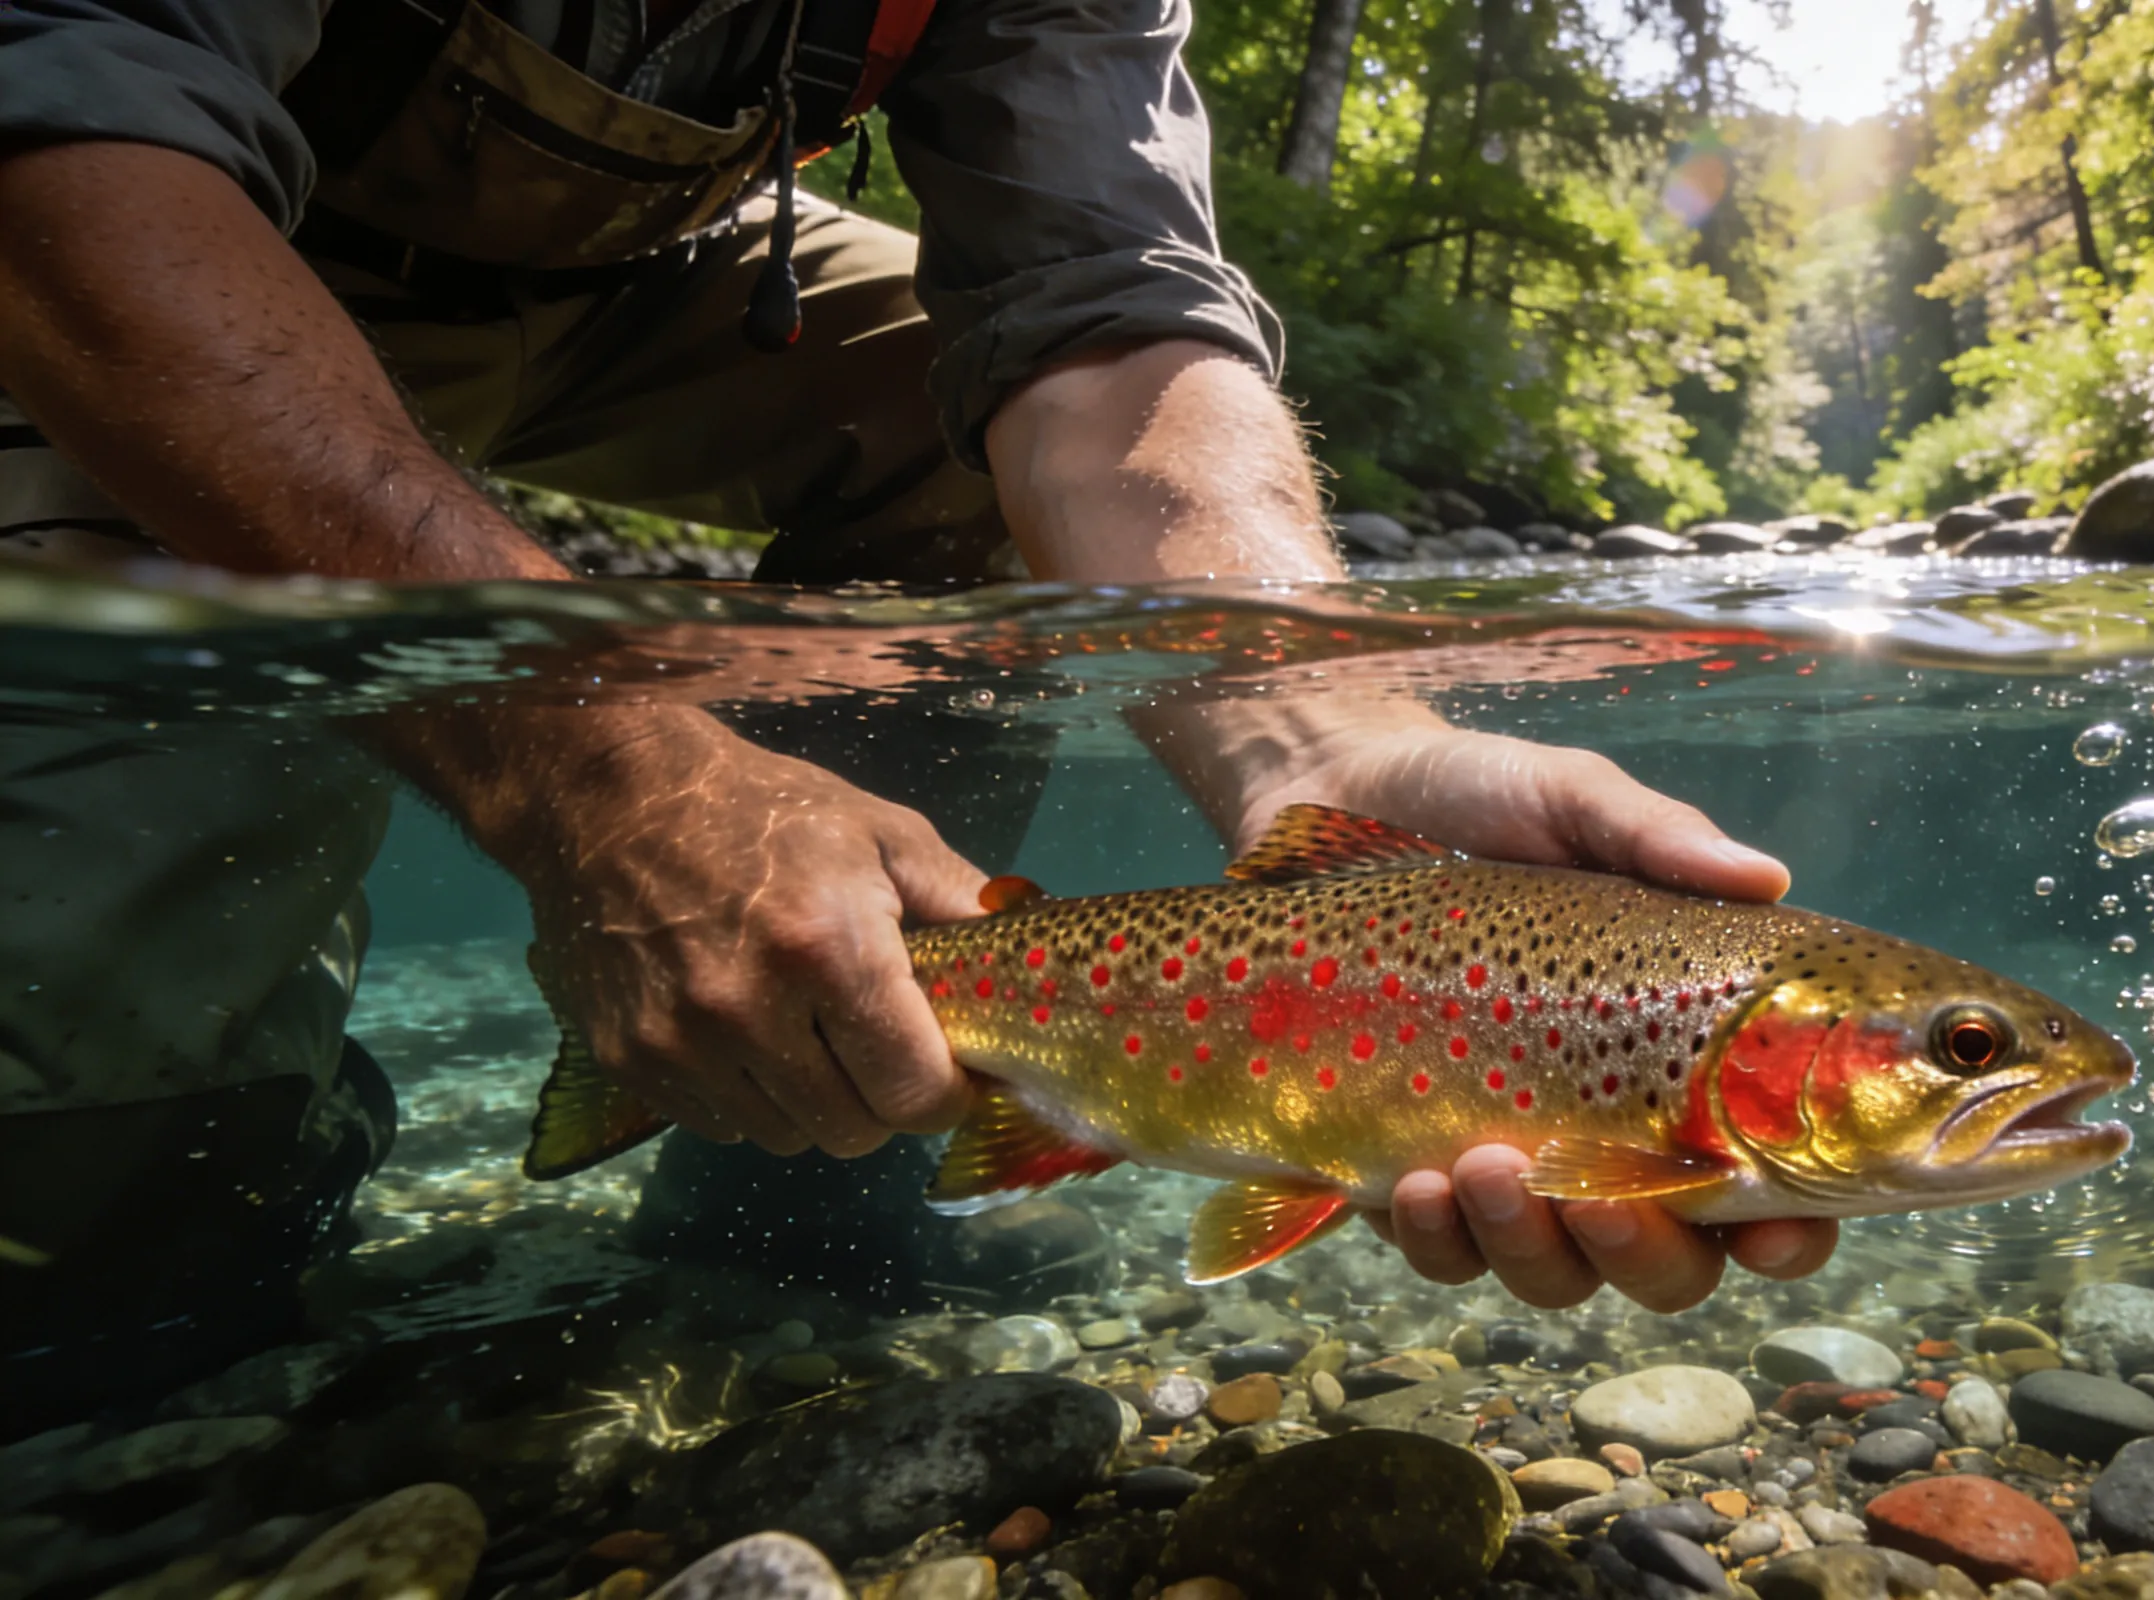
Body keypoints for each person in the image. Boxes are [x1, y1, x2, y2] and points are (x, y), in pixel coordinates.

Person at [0, 0, 1836, 1407]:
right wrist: (603, 770)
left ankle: (793, 1154)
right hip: (118, 241)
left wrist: (1320, 735)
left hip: (651, 283)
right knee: (105, 1275)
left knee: (990, 442)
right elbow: (59, 139)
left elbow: (1102, 322)